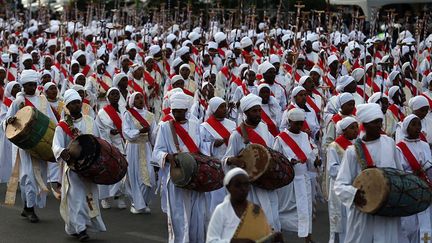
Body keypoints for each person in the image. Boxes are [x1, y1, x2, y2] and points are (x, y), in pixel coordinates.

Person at [334, 103, 403, 243]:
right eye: (374, 122)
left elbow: (399, 173)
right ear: (364, 125)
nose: (379, 126)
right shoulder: (353, 152)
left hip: (387, 210)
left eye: (380, 122)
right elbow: (340, 185)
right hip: (364, 212)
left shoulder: (389, 143)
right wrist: (355, 194)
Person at [152, 91, 208, 243]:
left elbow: (203, 147)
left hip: (195, 175)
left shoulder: (196, 124)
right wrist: (167, 156)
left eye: (180, 111)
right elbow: (157, 151)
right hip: (176, 176)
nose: (177, 114)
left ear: (186, 110)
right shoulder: (165, 127)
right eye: (174, 111)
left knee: (197, 213)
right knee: (178, 215)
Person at [52, 89, 106, 242]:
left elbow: (99, 139)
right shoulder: (62, 126)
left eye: (78, 102)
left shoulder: (90, 120)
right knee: (76, 198)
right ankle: (81, 229)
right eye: (73, 103)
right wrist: (62, 151)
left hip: (90, 166)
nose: (77, 105)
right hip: (73, 168)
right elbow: (56, 145)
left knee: (90, 197)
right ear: (67, 106)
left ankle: (74, 227)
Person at [5, 69, 58, 223]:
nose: (31, 87)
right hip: (25, 146)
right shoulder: (18, 102)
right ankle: (29, 209)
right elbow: (7, 120)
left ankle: (28, 207)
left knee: (39, 175)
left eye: (33, 84)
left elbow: (51, 120)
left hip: (41, 144)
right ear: (23, 85)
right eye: (28, 85)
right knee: (28, 176)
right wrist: (9, 121)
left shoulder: (42, 100)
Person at [223, 94, 280, 231]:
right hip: (250, 186)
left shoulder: (264, 128)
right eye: (254, 111)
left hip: (267, 182)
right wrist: (233, 160)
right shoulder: (237, 135)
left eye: (259, 110)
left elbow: (273, 149)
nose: (258, 113)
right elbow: (226, 159)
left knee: (272, 219)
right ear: (246, 112)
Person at [206, 168, 283, 243]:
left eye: (246, 184)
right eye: (237, 185)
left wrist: (274, 238)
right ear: (228, 187)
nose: (243, 188)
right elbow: (211, 240)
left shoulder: (256, 210)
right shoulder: (221, 210)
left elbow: (263, 236)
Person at [273, 108, 315, 242]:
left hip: (303, 179)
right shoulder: (280, 139)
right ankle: (282, 236)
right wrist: (287, 161)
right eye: (296, 123)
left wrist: (316, 161)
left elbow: (311, 155)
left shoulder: (304, 136)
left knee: (306, 209)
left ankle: (307, 237)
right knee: (285, 210)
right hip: (288, 181)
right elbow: (275, 159)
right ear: (289, 122)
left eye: (301, 123)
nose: (299, 126)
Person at [395, 114, 432, 243]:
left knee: (426, 222)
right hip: (409, 191)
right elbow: (399, 171)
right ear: (406, 127)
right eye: (413, 124)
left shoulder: (425, 145)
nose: (417, 128)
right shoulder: (399, 148)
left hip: (425, 189)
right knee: (410, 227)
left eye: (419, 125)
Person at [200, 97, 237, 213]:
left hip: (230, 163)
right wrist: (212, 144)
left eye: (225, 106)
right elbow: (200, 145)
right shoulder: (205, 126)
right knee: (216, 194)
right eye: (221, 107)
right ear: (214, 109)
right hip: (215, 164)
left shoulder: (232, 124)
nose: (224, 109)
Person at [123, 92, 158, 214]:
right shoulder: (128, 114)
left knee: (148, 174)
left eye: (141, 97)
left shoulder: (150, 116)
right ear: (132, 101)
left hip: (146, 147)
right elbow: (126, 132)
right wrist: (139, 131)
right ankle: (135, 203)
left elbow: (154, 134)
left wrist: (154, 142)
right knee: (134, 174)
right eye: (136, 98)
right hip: (133, 148)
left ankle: (143, 202)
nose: (140, 100)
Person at [326, 117, 358, 243]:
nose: (356, 130)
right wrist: (349, 171)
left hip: (353, 186)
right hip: (339, 188)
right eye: (352, 128)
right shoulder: (334, 146)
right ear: (344, 131)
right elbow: (332, 169)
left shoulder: (356, 144)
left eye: (356, 127)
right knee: (341, 220)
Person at [96, 87, 127, 209]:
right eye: (112, 94)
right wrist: (109, 132)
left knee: (122, 171)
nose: (115, 96)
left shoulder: (124, 110)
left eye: (117, 94)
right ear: (108, 97)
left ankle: (120, 197)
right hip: (108, 145)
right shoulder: (102, 112)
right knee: (106, 171)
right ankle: (105, 198)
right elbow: (99, 128)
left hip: (122, 144)